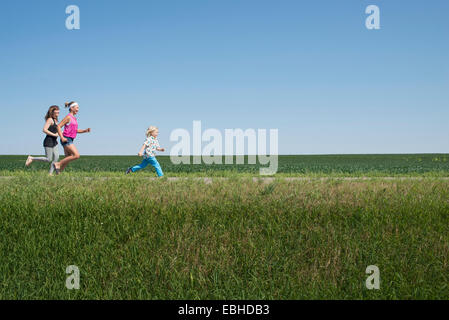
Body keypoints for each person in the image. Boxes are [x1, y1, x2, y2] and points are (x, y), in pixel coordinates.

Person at [25, 105, 67, 175]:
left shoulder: (56, 120)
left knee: (56, 157)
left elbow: (56, 130)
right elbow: (44, 130)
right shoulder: (50, 119)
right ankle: (32, 158)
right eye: (56, 113)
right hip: (48, 141)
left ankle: (50, 174)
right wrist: (54, 135)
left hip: (54, 142)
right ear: (52, 113)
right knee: (48, 159)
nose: (57, 114)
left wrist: (61, 133)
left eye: (58, 113)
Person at [53, 101, 91, 173]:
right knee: (76, 155)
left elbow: (75, 130)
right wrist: (62, 137)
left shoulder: (74, 119)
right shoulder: (68, 117)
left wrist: (85, 131)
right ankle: (58, 164)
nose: (78, 109)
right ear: (72, 108)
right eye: (77, 108)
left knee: (67, 158)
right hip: (66, 139)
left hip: (70, 139)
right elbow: (58, 126)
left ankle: (58, 174)